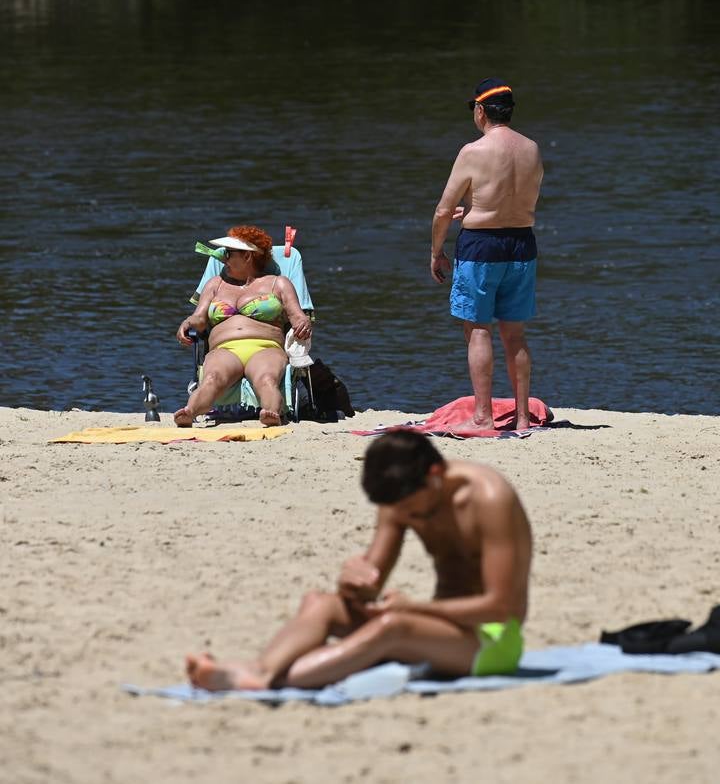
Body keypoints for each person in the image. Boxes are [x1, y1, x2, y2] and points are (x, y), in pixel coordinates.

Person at [185, 430, 532, 691]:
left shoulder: (489, 499)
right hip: (435, 629)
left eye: (417, 512)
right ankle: (261, 672)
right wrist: (351, 582)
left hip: (492, 641)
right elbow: (368, 588)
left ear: (436, 474)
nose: (415, 520)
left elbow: (503, 608)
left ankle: (267, 682)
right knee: (320, 603)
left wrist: (413, 609)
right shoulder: (399, 498)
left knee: (393, 626)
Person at [431, 78, 544, 431]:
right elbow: (515, 198)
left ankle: (483, 415)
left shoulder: (472, 151)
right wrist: (481, 210)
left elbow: (442, 211)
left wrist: (436, 252)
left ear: (480, 111)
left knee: (478, 328)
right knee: (515, 333)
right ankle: (523, 416)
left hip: (481, 247)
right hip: (522, 244)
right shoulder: (532, 149)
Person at [174, 225, 312, 427]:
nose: (224, 258)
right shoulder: (215, 284)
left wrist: (304, 323)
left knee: (266, 379)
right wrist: (187, 323)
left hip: (266, 347)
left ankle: (271, 413)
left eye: (229, 253)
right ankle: (190, 412)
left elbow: (298, 316)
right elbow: (199, 318)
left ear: (248, 256)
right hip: (224, 349)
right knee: (212, 378)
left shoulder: (278, 283)